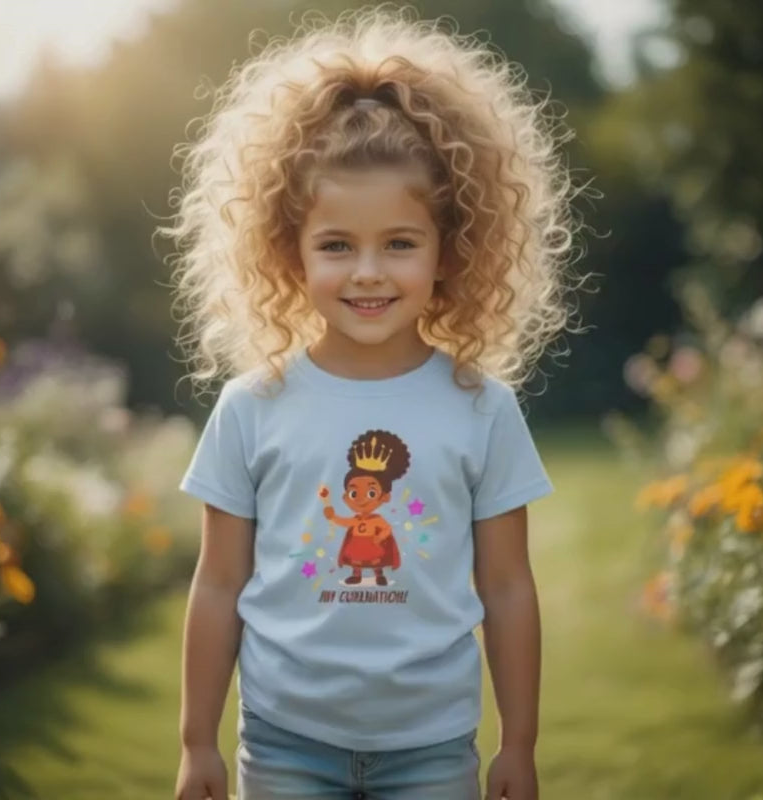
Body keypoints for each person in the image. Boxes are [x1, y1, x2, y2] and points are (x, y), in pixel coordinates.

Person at [166, 5, 585, 799]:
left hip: (433, 750)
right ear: (286, 250)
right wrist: (197, 744)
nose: (367, 272)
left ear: (449, 250)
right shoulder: (252, 406)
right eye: (336, 245)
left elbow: (507, 588)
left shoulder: (482, 409)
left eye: (399, 242)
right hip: (285, 744)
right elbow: (217, 584)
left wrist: (518, 744)